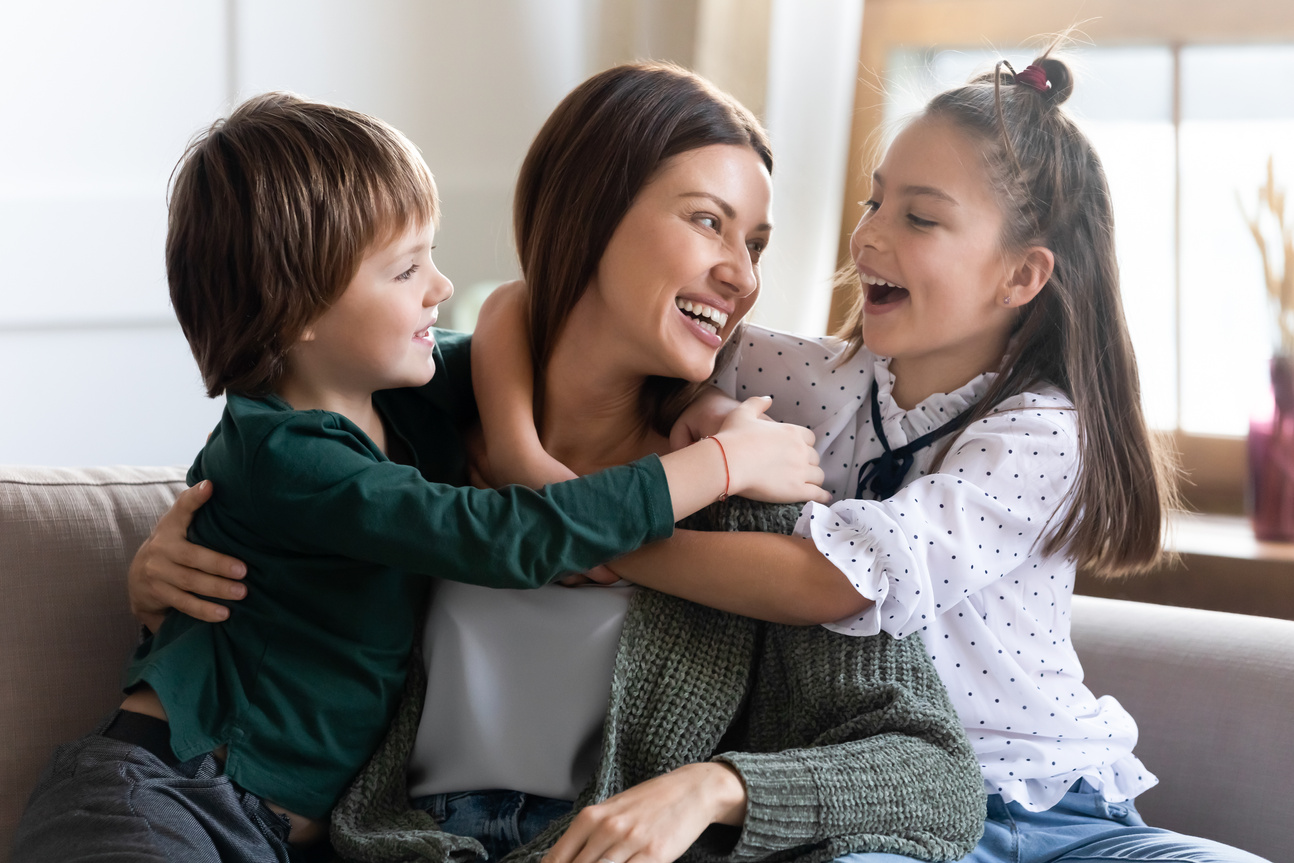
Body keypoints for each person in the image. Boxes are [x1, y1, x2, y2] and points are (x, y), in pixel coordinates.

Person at [126, 64, 988, 863]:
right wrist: (155, 559)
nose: (740, 274)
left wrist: (715, 788)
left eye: (756, 244)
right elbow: (284, 495)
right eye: (706, 220)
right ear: (588, 213)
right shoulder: (414, 437)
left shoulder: (750, 493)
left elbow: (938, 777)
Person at [464, 53, 1274, 863]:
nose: (871, 234)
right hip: (883, 813)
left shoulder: (1044, 433)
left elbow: (835, 580)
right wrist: (520, 449)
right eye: (874, 199)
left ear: (1022, 274)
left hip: (1059, 808)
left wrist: (599, 539)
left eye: (920, 218)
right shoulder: (819, 380)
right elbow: (540, 301)